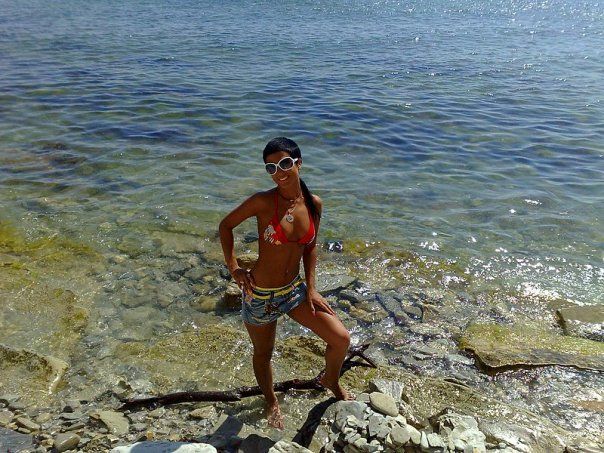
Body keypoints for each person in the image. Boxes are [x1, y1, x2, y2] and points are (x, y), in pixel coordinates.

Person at [218, 137, 353, 429]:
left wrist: (312, 289)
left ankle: (330, 379)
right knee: (263, 354)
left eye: (284, 163)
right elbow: (225, 226)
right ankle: (270, 401)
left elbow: (310, 247)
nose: (278, 172)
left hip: (294, 292)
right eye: (271, 168)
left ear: (298, 163)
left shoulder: (314, 204)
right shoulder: (263, 202)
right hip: (260, 295)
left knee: (341, 339)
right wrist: (234, 268)